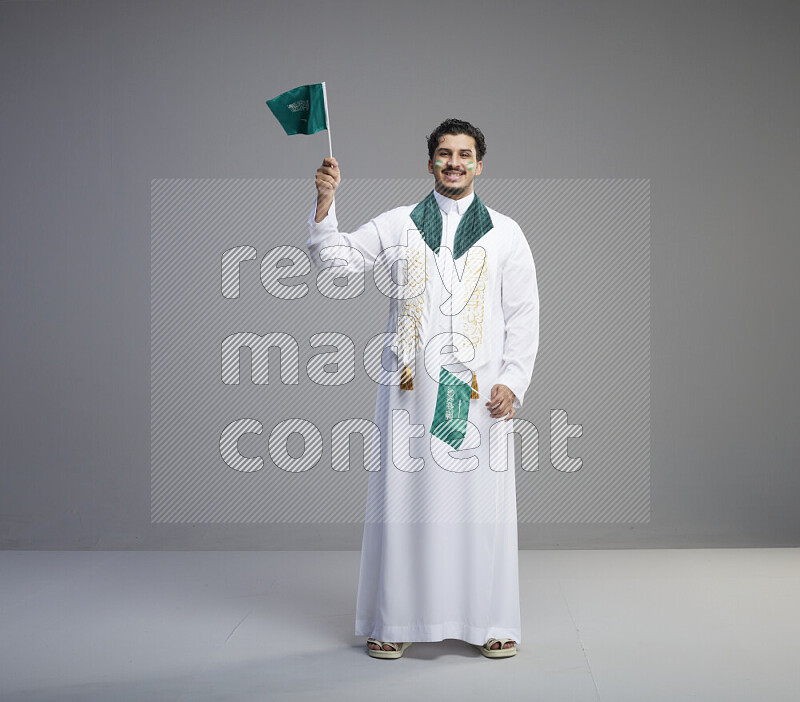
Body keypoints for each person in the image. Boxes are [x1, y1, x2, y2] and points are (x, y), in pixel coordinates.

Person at [306, 118, 539, 659]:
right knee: (406, 504)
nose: (454, 162)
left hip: (475, 393)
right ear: (429, 162)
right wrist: (326, 204)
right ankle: (397, 619)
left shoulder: (506, 232)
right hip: (411, 392)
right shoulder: (399, 224)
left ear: (479, 164)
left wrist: (512, 380)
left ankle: (489, 619)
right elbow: (337, 266)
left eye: (464, 154)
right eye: (443, 154)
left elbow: (523, 313)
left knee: (480, 508)